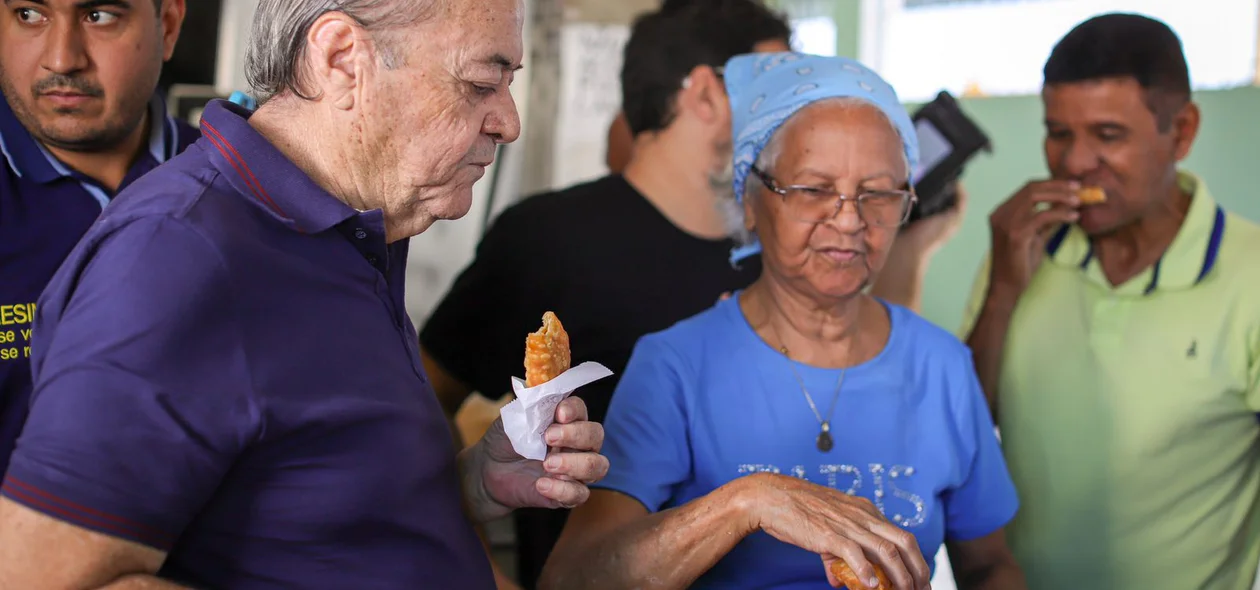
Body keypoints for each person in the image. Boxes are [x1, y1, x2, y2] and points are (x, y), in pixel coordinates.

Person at [0, 0, 608, 588]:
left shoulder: (357, 227)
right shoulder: (178, 258)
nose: (509, 121)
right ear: (343, 59)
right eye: (481, 83)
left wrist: (472, 483)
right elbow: (44, 578)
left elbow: (303, 511)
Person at [541, 52, 1025, 590]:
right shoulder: (675, 366)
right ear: (751, 200)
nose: (849, 219)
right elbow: (573, 578)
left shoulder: (942, 367)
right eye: (814, 189)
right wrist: (747, 502)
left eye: (878, 193)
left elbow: (989, 566)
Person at [420, 2, 791, 587]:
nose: (797, 110)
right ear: (706, 94)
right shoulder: (550, 238)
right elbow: (424, 395)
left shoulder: (777, 254)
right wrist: (480, 571)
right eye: (779, 85)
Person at [960, 13, 1260, 590]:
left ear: (1184, 131)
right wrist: (1002, 289)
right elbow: (964, 432)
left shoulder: (1250, 275)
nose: (1074, 163)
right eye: (1059, 133)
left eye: (1108, 135)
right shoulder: (1019, 257)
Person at [0, 0, 196, 478]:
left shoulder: (250, 187)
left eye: (100, 15)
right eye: (29, 14)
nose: (63, 59)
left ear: (167, 25)